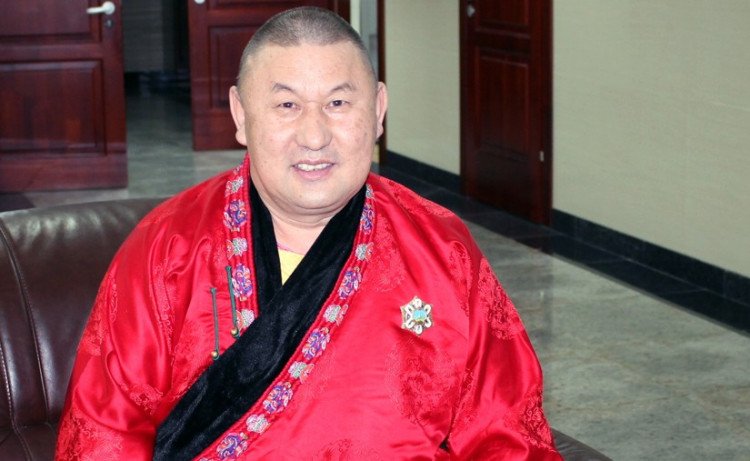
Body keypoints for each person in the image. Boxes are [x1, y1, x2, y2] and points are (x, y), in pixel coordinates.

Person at [56, 7, 562, 460]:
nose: (315, 136)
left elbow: (508, 435)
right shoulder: (168, 248)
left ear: (378, 110)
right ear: (240, 115)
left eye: (338, 103)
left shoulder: (443, 249)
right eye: (287, 106)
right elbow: (104, 434)